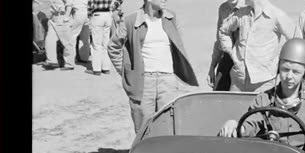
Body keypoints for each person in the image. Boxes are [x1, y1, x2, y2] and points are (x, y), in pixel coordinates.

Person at [219, 38, 305, 153]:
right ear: (278, 68)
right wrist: (236, 125)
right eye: (285, 69)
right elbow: (251, 125)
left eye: (296, 72)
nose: (289, 77)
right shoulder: (264, 99)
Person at [108, 0, 199, 134]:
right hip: (143, 83)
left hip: (167, 82)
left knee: (167, 127)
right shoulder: (131, 20)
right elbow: (113, 47)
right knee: (144, 130)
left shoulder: (171, 18)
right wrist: (126, 72)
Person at [218, 0, 294, 92]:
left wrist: (279, 60)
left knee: (263, 107)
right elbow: (223, 31)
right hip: (238, 80)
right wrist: (231, 52)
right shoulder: (242, 13)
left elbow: (296, 40)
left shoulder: (277, 15)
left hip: (264, 83)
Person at [207, 0, 243, 91]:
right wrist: (212, 67)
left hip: (244, 60)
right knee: (218, 95)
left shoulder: (249, 7)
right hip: (227, 57)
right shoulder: (223, 9)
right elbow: (219, 41)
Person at [87, 0, 121, 75]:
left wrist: (89, 16)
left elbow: (90, 5)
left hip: (97, 14)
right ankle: (106, 68)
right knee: (105, 43)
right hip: (108, 14)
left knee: (96, 43)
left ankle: (97, 69)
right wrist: (115, 5)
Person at [43, 0, 76, 70]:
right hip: (53, 18)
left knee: (67, 42)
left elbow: (69, 3)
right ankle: (52, 61)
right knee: (50, 39)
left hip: (61, 17)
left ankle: (69, 64)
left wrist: (66, 17)